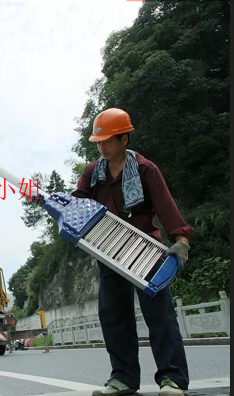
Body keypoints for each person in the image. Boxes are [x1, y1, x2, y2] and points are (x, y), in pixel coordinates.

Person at [71, 108, 193, 396]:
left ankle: (172, 379)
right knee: (113, 315)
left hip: (144, 250)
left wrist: (180, 240)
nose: (101, 147)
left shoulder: (145, 169)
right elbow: (79, 205)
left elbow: (165, 205)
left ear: (124, 139)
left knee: (159, 315)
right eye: (98, 142)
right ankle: (123, 378)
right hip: (108, 250)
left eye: (107, 141)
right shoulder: (92, 172)